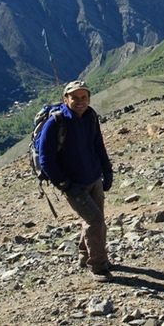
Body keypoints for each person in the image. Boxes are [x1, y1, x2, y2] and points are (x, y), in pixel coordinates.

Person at [38, 80, 115, 282]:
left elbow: (98, 144)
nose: (80, 101)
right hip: (74, 183)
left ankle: (84, 256)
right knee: (95, 221)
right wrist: (64, 184)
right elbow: (46, 159)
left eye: (84, 97)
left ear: (89, 98)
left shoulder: (90, 117)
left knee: (93, 219)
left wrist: (107, 169)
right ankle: (98, 266)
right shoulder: (56, 123)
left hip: (93, 178)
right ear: (66, 99)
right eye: (75, 98)